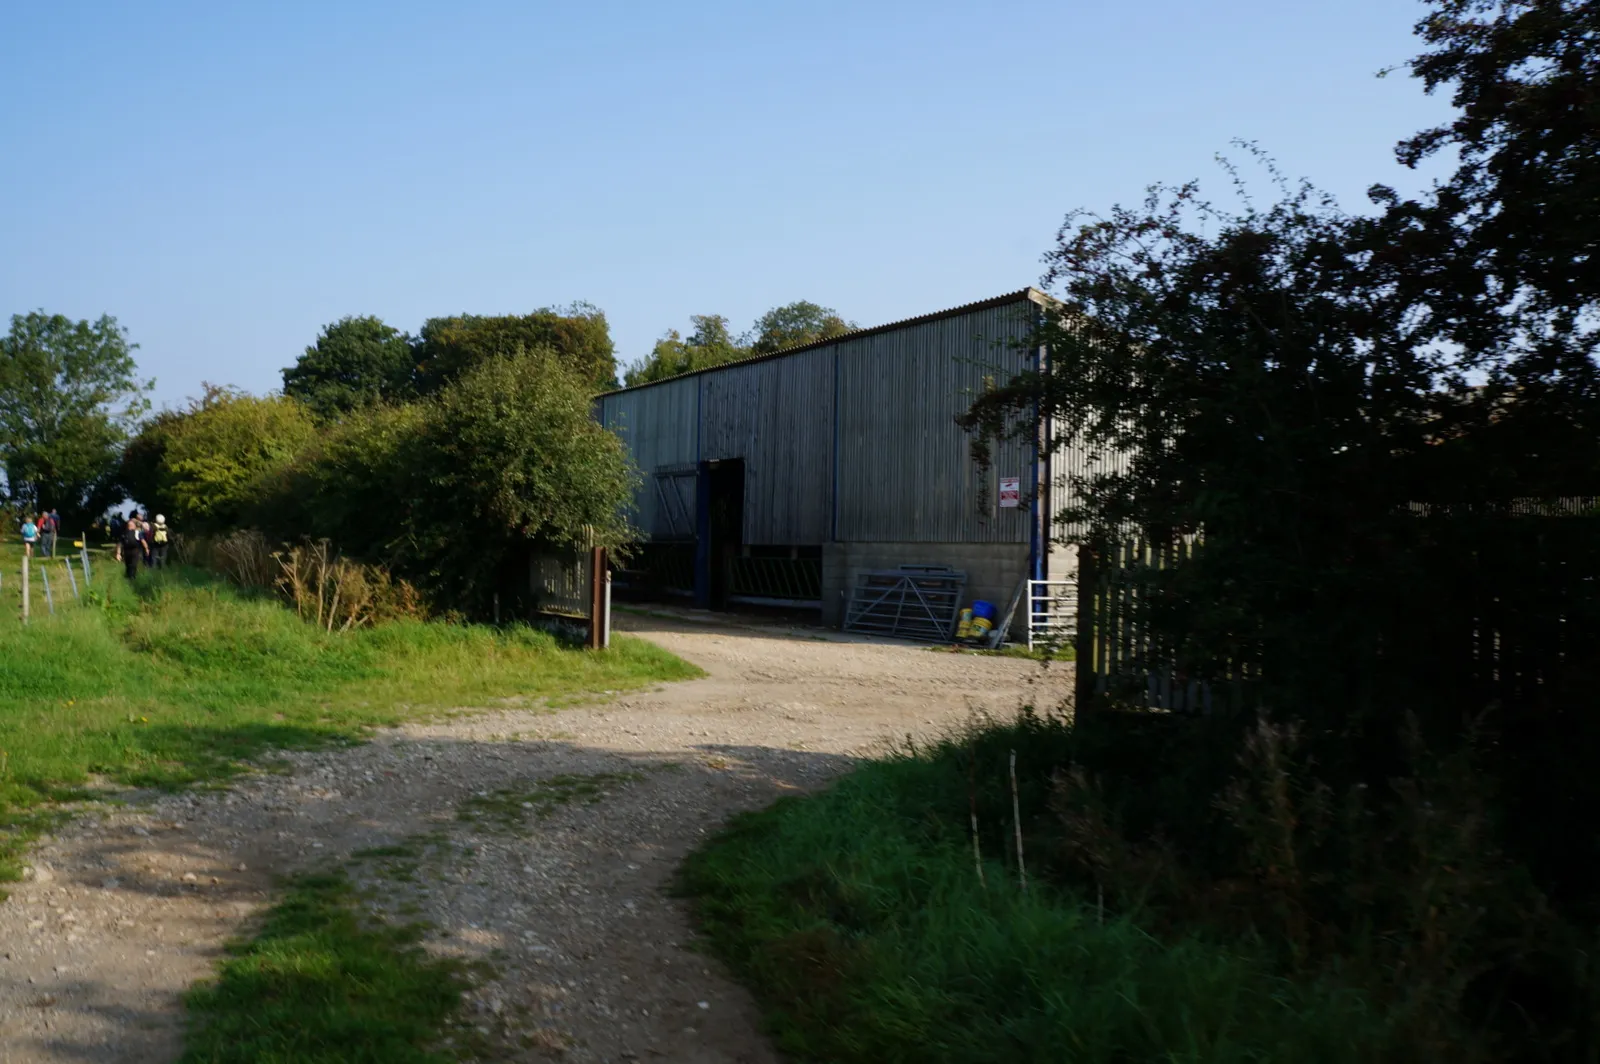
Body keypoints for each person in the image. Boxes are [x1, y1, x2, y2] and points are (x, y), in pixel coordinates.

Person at [117, 515, 147, 581]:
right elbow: (143, 541)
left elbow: (119, 544)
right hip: (135, 551)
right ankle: (132, 577)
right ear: (134, 526)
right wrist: (146, 549)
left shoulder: (124, 533)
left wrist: (118, 554)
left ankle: (130, 577)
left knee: (129, 565)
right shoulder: (137, 532)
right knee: (133, 564)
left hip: (127, 551)